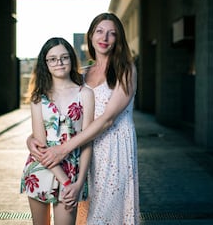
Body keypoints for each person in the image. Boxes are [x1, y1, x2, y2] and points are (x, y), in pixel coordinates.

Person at [27, 13, 140, 224]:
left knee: (107, 214)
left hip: (113, 149)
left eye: (112, 33)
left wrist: (63, 148)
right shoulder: (82, 74)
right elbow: (61, 113)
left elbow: (107, 119)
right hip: (82, 152)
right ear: (90, 35)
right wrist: (31, 138)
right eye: (99, 31)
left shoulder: (126, 70)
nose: (104, 37)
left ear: (119, 39)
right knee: (83, 214)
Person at [20, 37, 95, 225]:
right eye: (52, 59)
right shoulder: (38, 98)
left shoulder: (85, 94)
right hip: (41, 169)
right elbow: (40, 146)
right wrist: (66, 181)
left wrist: (77, 183)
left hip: (72, 171)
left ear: (71, 59)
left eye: (64, 57)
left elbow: (87, 141)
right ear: (45, 64)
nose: (59, 63)